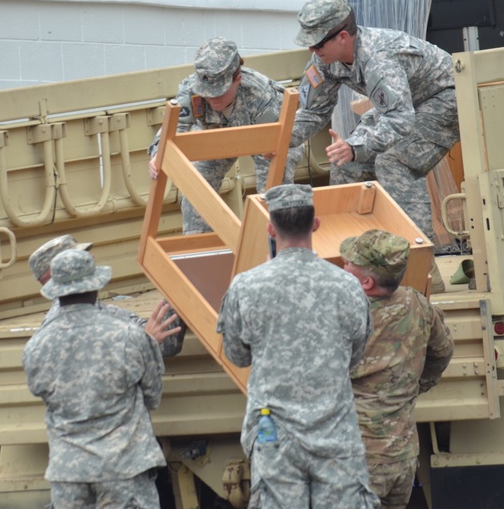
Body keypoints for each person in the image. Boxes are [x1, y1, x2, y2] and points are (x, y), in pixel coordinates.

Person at [216, 183, 378, 508]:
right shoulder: (347, 286)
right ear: (315, 223)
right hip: (334, 432)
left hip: (274, 434)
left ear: (270, 228)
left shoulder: (246, 286)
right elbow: (355, 353)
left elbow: (235, 354)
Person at [288, 0, 459, 290]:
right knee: (345, 165)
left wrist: (357, 146)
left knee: (394, 160)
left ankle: (423, 276)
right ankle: (354, 267)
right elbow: (312, 113)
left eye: (317, 43)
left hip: (443, 99)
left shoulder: (379, 57)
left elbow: (400, 119)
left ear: (342, 37)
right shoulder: (326, 60)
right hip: (401, 106)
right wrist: (278, 142)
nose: (313, 51)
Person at [23, 249, 166, 508]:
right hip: (123, 470)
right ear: (95, 286)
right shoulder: (130, 336)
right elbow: (153, 396)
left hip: (69, 476)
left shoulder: (36, 347)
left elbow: (39, 391)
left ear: (55, 290)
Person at [340, 229, 454, 509]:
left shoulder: (344, 315)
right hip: (402, 460)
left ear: (366, 282)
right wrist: (414, 387)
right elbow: (443, 352)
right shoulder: (418, 305)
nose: (343, 267)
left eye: (349, 264)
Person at [148, 36, 304, 234]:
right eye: (207, 92)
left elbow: (278, 145)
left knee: (273, 194)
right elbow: (175, 125)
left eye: (219, 92)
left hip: (270, 140)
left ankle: (276, 249)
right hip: (216, 136)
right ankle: (201, 252)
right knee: (195, 187)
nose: (211, 98)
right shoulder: (191, 89)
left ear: (237, 80)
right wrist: (157, 153)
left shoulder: (263, 97)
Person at [29, 234, 184, 357]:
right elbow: (94, 375)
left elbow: (162, 340)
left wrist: (180, 285)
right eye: (82, 255)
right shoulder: (58, 327)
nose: (92, 257)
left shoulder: (97, 308)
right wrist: (146, 345)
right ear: (55, 271)